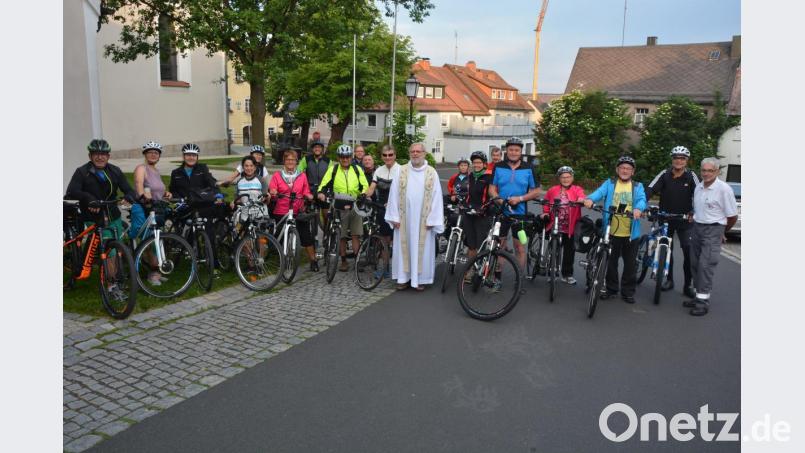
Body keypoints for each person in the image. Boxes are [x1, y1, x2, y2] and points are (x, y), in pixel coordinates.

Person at [65, 139, 138, 298]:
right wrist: (89, 198)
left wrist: (128, 197)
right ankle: (112, 286)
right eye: (96, 154)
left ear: (108, 156)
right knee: (108, 251)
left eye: (103, 154)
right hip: (93, 217)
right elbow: (72, 191)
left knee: (116, 250)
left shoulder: (115, 171)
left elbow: (129, 190)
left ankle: (116, 279)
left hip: (113, 216)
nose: (100, 157)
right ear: (90, 155)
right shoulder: (82, 172)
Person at [583, 155, 647, 304]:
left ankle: (628, 292)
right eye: (622, 168)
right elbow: (599, 193)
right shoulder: (610, 183)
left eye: (628, 168)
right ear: (617, 169)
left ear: (633, 172)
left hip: (630, 232)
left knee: (630, 265)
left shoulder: (638, 186)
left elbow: (642, 200)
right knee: (610, 263)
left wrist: (638, 209)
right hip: (611, 230)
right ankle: (612, 289)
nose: (625, 170)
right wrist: (590, 199)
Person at [385, 143, 444, 290]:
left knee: (422, 249)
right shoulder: (401, 171)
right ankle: (403, 278)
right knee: (403, 247)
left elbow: (437, 197)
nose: (415, 154)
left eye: (418, 151)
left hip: (424, 219)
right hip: (404, 218)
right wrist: (394, 216)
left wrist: (433, 219)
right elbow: (393, 194)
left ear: (424, 153)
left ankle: (420, 279)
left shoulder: (432, 173)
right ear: (409, 153)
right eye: (413, 151)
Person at [684, 157, 738, 316]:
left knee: (705, 266)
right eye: (704, 170)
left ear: (717, 171)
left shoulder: (724, 189)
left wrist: (722, 231)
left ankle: (702, 303)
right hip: (697, 228)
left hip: (713, 230)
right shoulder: (699, 187)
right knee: (694, 264)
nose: (706, 173)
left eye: (710, 171)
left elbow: (732, 216)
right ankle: (697, 296)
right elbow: (698, 209)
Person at [646, 145, 699, 298]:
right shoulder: (665, 174)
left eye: (682, 158)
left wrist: (694, 211)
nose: (678, 161)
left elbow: (699, 194)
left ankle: (688, 285)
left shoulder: (692, 176)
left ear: (687, 161)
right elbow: (650, 189)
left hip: (684, 220)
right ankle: (669, 280)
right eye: (676, 158)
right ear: (672, 159)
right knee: (666, 248)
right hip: (665, 217)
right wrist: (642, 205)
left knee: (688, 250)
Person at [488, 137, 542, 284]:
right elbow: (491, 189)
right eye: (511, 149)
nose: (513, 152)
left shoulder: (528, 168)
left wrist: (520, 199)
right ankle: (497, 278)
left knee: (519, 247)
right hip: (502, 213)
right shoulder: (498, 166)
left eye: (516, 150)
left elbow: (536, 191)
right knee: (501, 246)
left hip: (520, 214)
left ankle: (519, 279)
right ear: (506, 151)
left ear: (521, 152)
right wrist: (499, 200)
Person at [317, 144, 369, 272]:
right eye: (342, 157)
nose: (345, 159)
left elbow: (365, 185)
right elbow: (323, 184)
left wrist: (363, 194)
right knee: (342, 235)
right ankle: (344, 261)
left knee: (356, 234)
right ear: (339, 158)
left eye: (347, 157)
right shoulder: (333, 169)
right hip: (339, 205)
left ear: (350, 157)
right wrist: (321, 193)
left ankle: (356, 260)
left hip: (355, 204)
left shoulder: (357, 169)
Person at [130, 141, 173, 286]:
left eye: (156, 153)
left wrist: (166, 193)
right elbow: (138, 185)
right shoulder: (141, 168)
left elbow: (157, 190)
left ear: (159, 156)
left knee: (156, 239)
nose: (153, 155)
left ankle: (156, 272)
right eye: (150, 152)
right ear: (145, 154)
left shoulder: (156, 171)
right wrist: (144, 198)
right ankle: (150, 273)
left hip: (155, 209)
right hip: (142, 207)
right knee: (146, 239)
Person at [268, 150, 317, 271]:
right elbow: (272, 189)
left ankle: (313, 260)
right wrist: (273, 191)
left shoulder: (302, 175)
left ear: (296, 162)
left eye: (293, 160)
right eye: (288, 159)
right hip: (281, 210)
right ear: (284, 161)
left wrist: (308, 195)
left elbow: (305, 190)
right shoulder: (277, 175)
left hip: (297, 210)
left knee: (306, 235)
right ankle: (281, 258)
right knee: (280, 236)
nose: (290, 162)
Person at [540, 166, 585, 285]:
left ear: (572, 177)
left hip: (570, 226)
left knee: (569, 251)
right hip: (554, 223)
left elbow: (582, 197)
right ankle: (551, 272)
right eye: (563, 177)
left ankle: (567, 274)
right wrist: (545, 212)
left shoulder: (577, 189)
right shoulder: (552, 190)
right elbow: (546, 202)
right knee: (553, 249)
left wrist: (581, 200)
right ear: (559, 178)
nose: (566, 179)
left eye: (568, 176)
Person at [364, 144, 399, 279]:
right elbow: (372, 187)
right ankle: (385, 268)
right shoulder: (379, 171)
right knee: (384, 240)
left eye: (390, 155)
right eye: (385, 155)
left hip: (397, 209)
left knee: (397, 241)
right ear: (382, 157)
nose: (388, 157)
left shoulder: (401, 170)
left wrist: (393, 203)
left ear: (395, 155)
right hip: (382, 209)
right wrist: (365, 195)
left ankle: (399, 270)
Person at [463, 151, 493, 264]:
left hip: (482, 215)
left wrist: (483, 208)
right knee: (471, 245)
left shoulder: (489, 177)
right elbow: (468, 194)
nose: (476, 165)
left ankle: (480, 271)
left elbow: (491, 196)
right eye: (474, 162)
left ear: (484, 164)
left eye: (479, 162)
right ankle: (470, 269)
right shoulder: (470, 176)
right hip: (469, 213)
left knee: (481, 245)